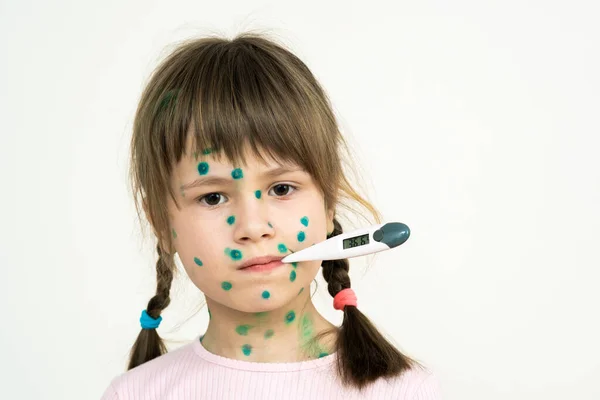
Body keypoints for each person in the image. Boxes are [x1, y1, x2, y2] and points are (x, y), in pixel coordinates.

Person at [100, 31, 442, 399]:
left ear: (328, 204)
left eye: (281, 189)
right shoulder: (134, 394)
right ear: (161, 224)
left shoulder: (403, 391)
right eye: (213, 197)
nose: (252, 227)